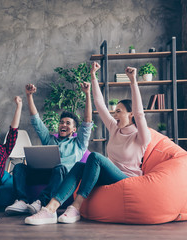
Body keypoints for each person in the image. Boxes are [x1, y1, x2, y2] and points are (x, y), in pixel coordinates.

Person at [24, 62, 151, 225]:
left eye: (118, 111)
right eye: (115, 111)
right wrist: (92, 75)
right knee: (79, 166)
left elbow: (140, 114)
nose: (114, 114)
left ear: (131, 114)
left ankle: (75, 207)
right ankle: (50, 210)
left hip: (127, 178)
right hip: (108, 175)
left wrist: (133, 81)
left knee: (96, 157)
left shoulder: (142, 135)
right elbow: (99, 104)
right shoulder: (114, 128)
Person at [5, 82, 93, 215]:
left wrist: (87, 94)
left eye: (67, 123)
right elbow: (36, 121)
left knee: (60, 167)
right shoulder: (49, 139)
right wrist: (29, 96)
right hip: (44, 174)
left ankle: (41, 202)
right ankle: (22, 201)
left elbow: (87, 122)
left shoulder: (79, 142)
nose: (63, 124)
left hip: (62, 177)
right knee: (19, 167)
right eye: (61, 122)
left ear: (74, 129)